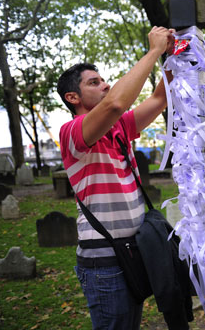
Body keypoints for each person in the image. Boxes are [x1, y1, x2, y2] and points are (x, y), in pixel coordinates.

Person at [56, 26, 173, 329]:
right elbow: (116, 103)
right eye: (94, 83)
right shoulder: (72, 133)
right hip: (104, 263)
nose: (106, 86)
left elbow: (160, 99)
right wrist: (153, 51)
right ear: (73, 97)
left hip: (133, 253)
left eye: (105, 80)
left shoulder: (120, 127)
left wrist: (177, 57)